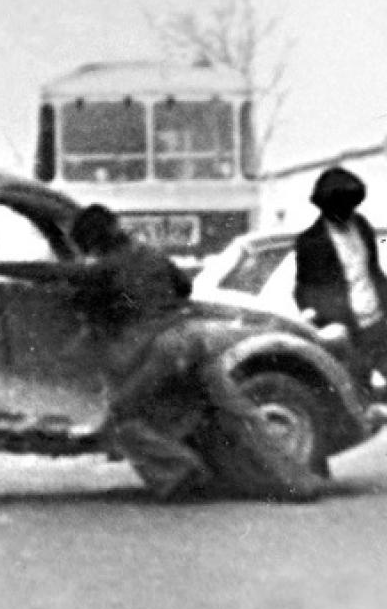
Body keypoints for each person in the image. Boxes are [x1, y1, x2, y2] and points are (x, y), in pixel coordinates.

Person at [69, 204, 322, 503]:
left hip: (161, 350)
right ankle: (300, 482)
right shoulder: (152, 255)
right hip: (194, 340)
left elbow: (83, 301)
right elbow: (185, 287)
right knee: (237, 411)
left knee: (122, 418)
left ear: (93, 241)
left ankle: (180, 473)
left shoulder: (103, 270)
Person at [294, 165, 387, 484]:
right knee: (340, 401)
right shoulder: (311, 243)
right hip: (346, 336)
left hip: (377, 330)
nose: (348, 213)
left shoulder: (362, 229)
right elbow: (304, 292)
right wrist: (323, 321)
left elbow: (374, 273)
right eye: (342, 208)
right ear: (326, 207)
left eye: (352, 207)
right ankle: (319, 469)